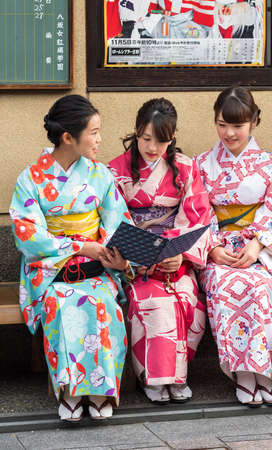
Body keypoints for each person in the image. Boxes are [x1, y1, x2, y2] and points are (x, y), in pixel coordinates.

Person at [9, 95, 133, 421]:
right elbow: (28, 236)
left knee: (104, 305)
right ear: (68, 137)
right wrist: (79, 247)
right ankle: (69, 390)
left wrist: (116, 256)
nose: (99, 139)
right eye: (93, 132)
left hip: (96, 267)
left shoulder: (100, 176)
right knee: (61, 308)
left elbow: (117, 223)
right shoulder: (31, 179)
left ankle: (100, 390)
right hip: (51, 271)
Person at [195, 86, 272, 407]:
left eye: (237, 126)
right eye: (222, 124)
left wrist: (257, 246)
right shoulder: (201, 165)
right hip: (219, 252)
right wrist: (212, 248)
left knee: (259, 286)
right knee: (226, 284)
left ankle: (264, 373)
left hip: (258, 252)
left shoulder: (270, 165)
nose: (229, 133)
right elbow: (196, 213)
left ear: (254, 122)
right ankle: (243, 375)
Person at [108, 98, 211, 404]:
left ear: (173, 136)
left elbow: (197, 216)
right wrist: (131, 256)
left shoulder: (186, 168)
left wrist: (179, 253)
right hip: (133, 262)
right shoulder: (115, 171)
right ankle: (154, 378)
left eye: (162, 140)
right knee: (152, 298)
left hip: (173, 259)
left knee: (184, 295)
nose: (152, 148)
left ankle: (176, 375)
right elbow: (113, 219)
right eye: (146, 139)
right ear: (136, 131)